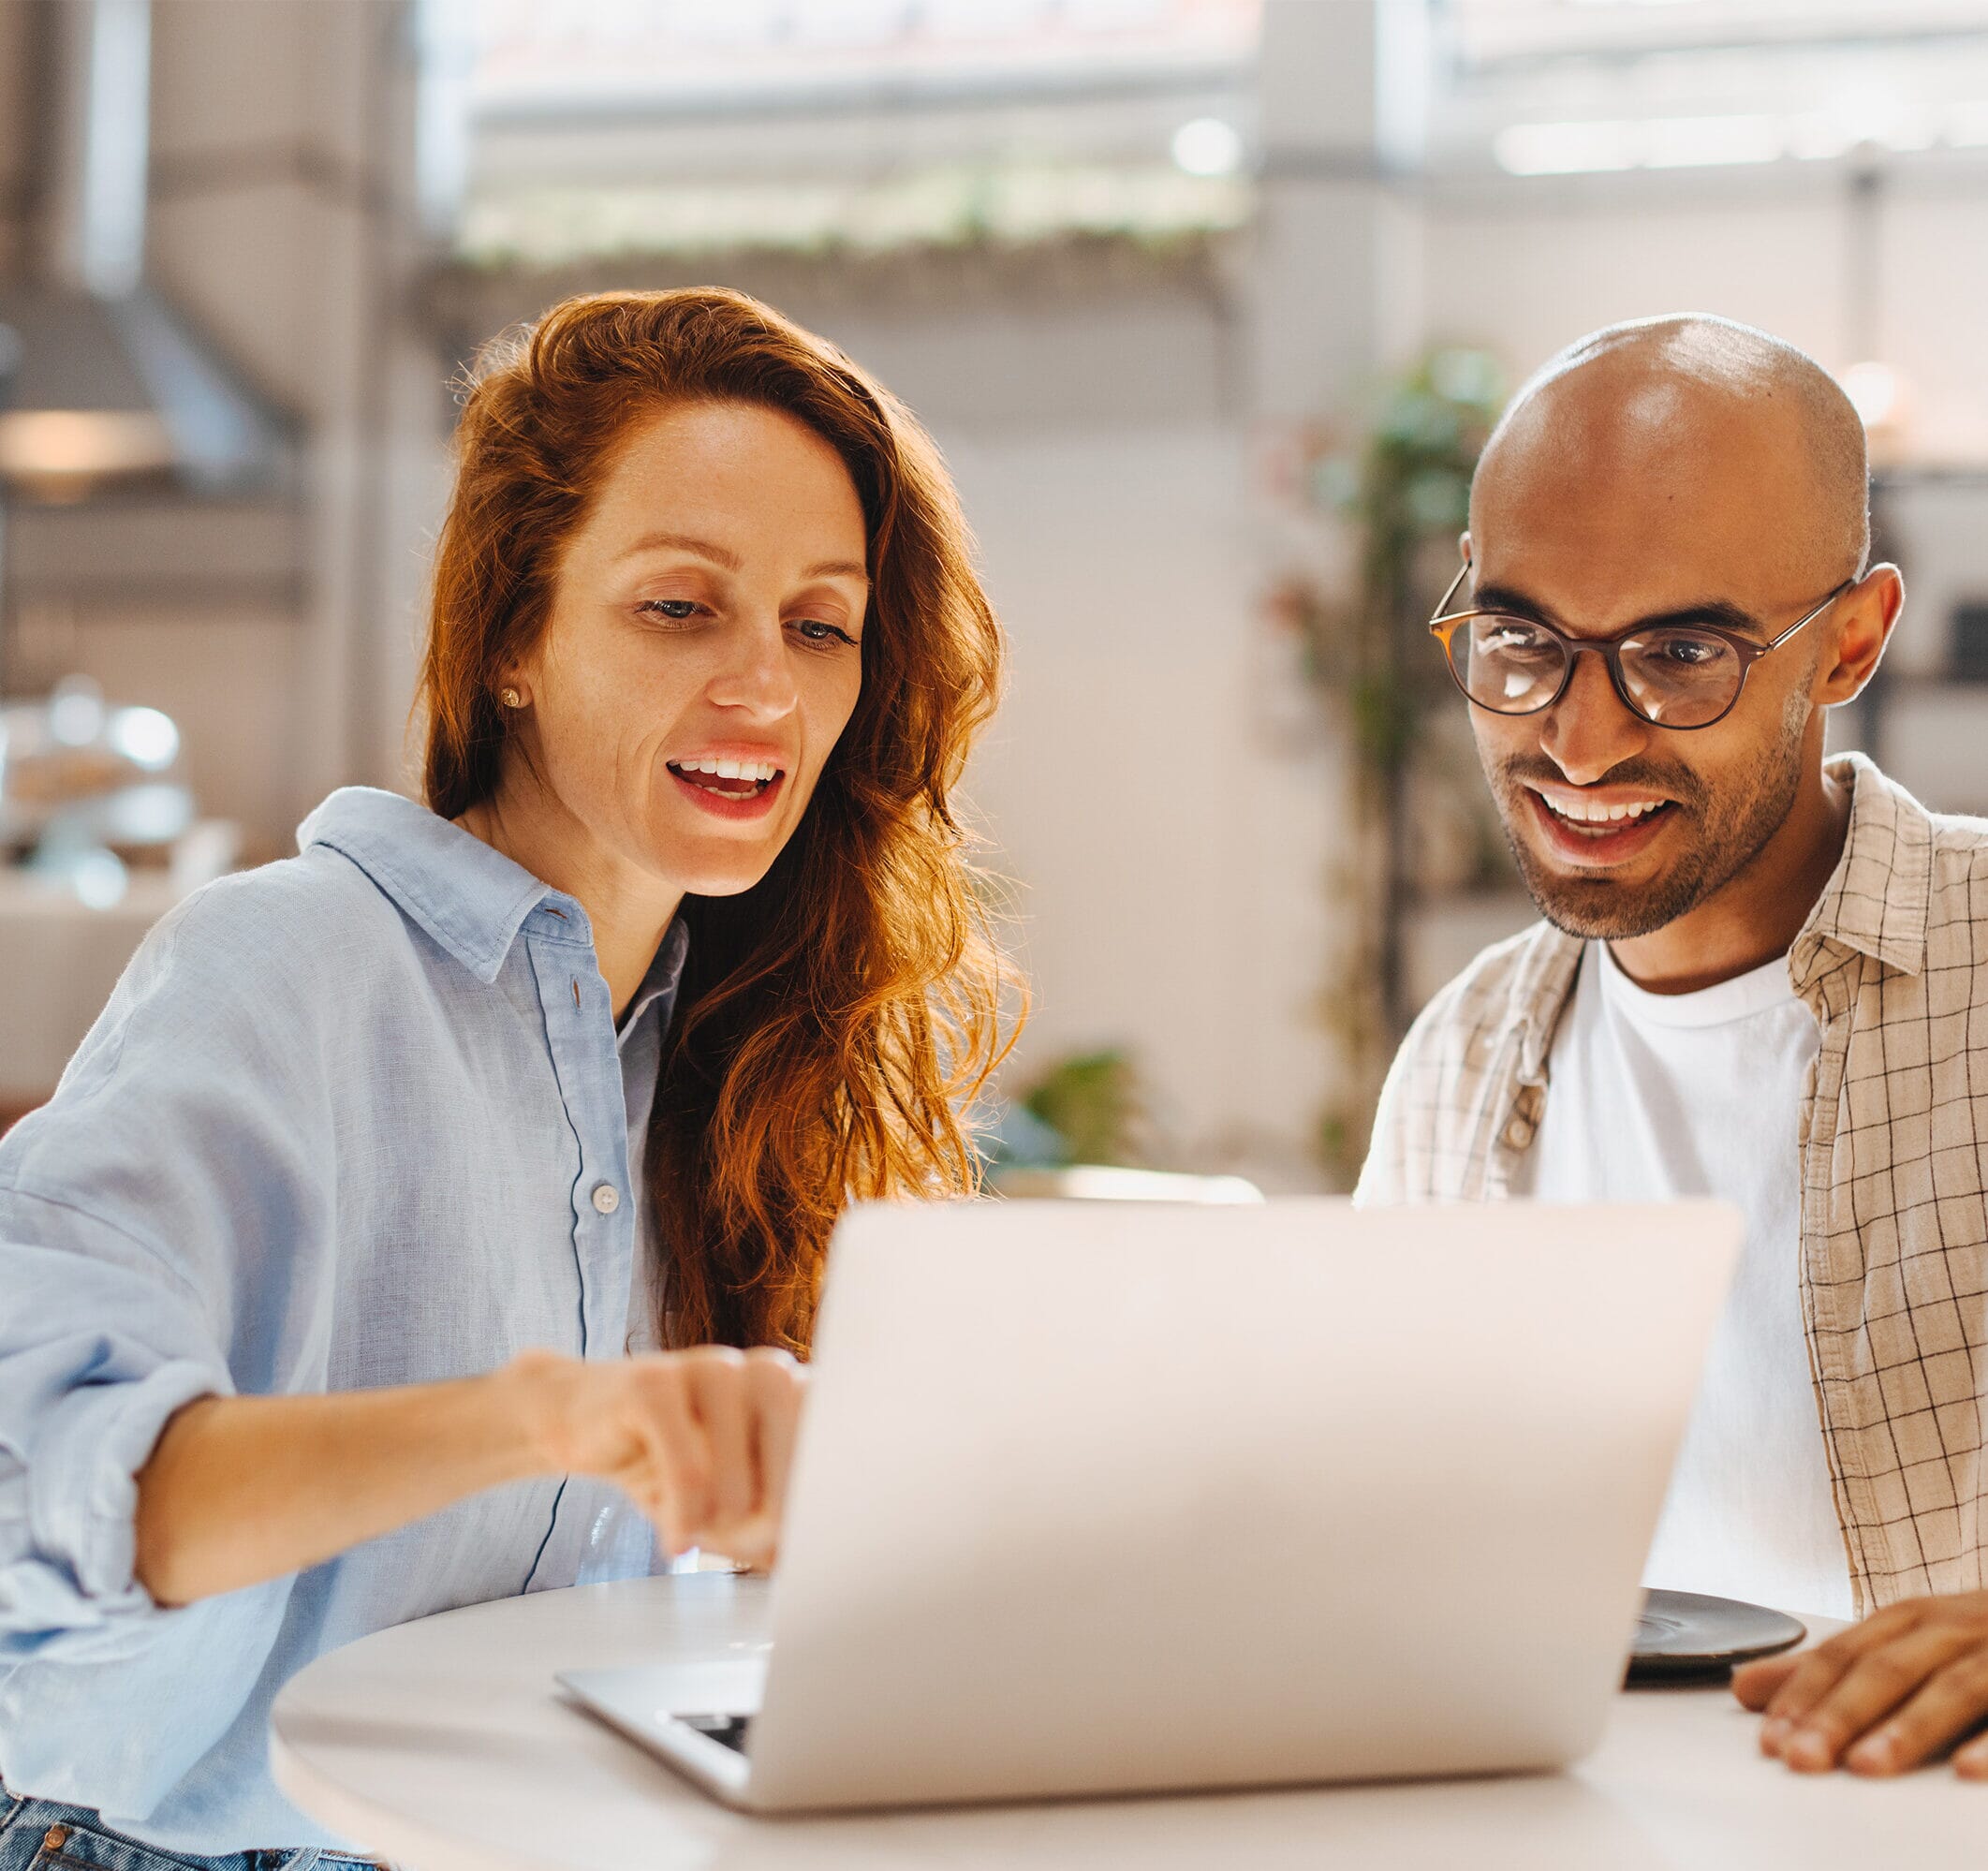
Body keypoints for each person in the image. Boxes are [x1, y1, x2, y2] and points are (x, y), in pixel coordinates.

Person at [0, 287, 1013, 1862]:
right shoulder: (285, 964)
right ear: (515, 641)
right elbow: (43, 1505)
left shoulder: (749, 1049)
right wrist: (545, 1411)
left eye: (821, 624)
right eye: (681, 606)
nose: (766, 687)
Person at [1360, 313, 1988, 1780]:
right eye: (1522, 640)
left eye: (1683, 652)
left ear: (1850, 642)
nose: (1580, 741)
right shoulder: (1461, 1062)